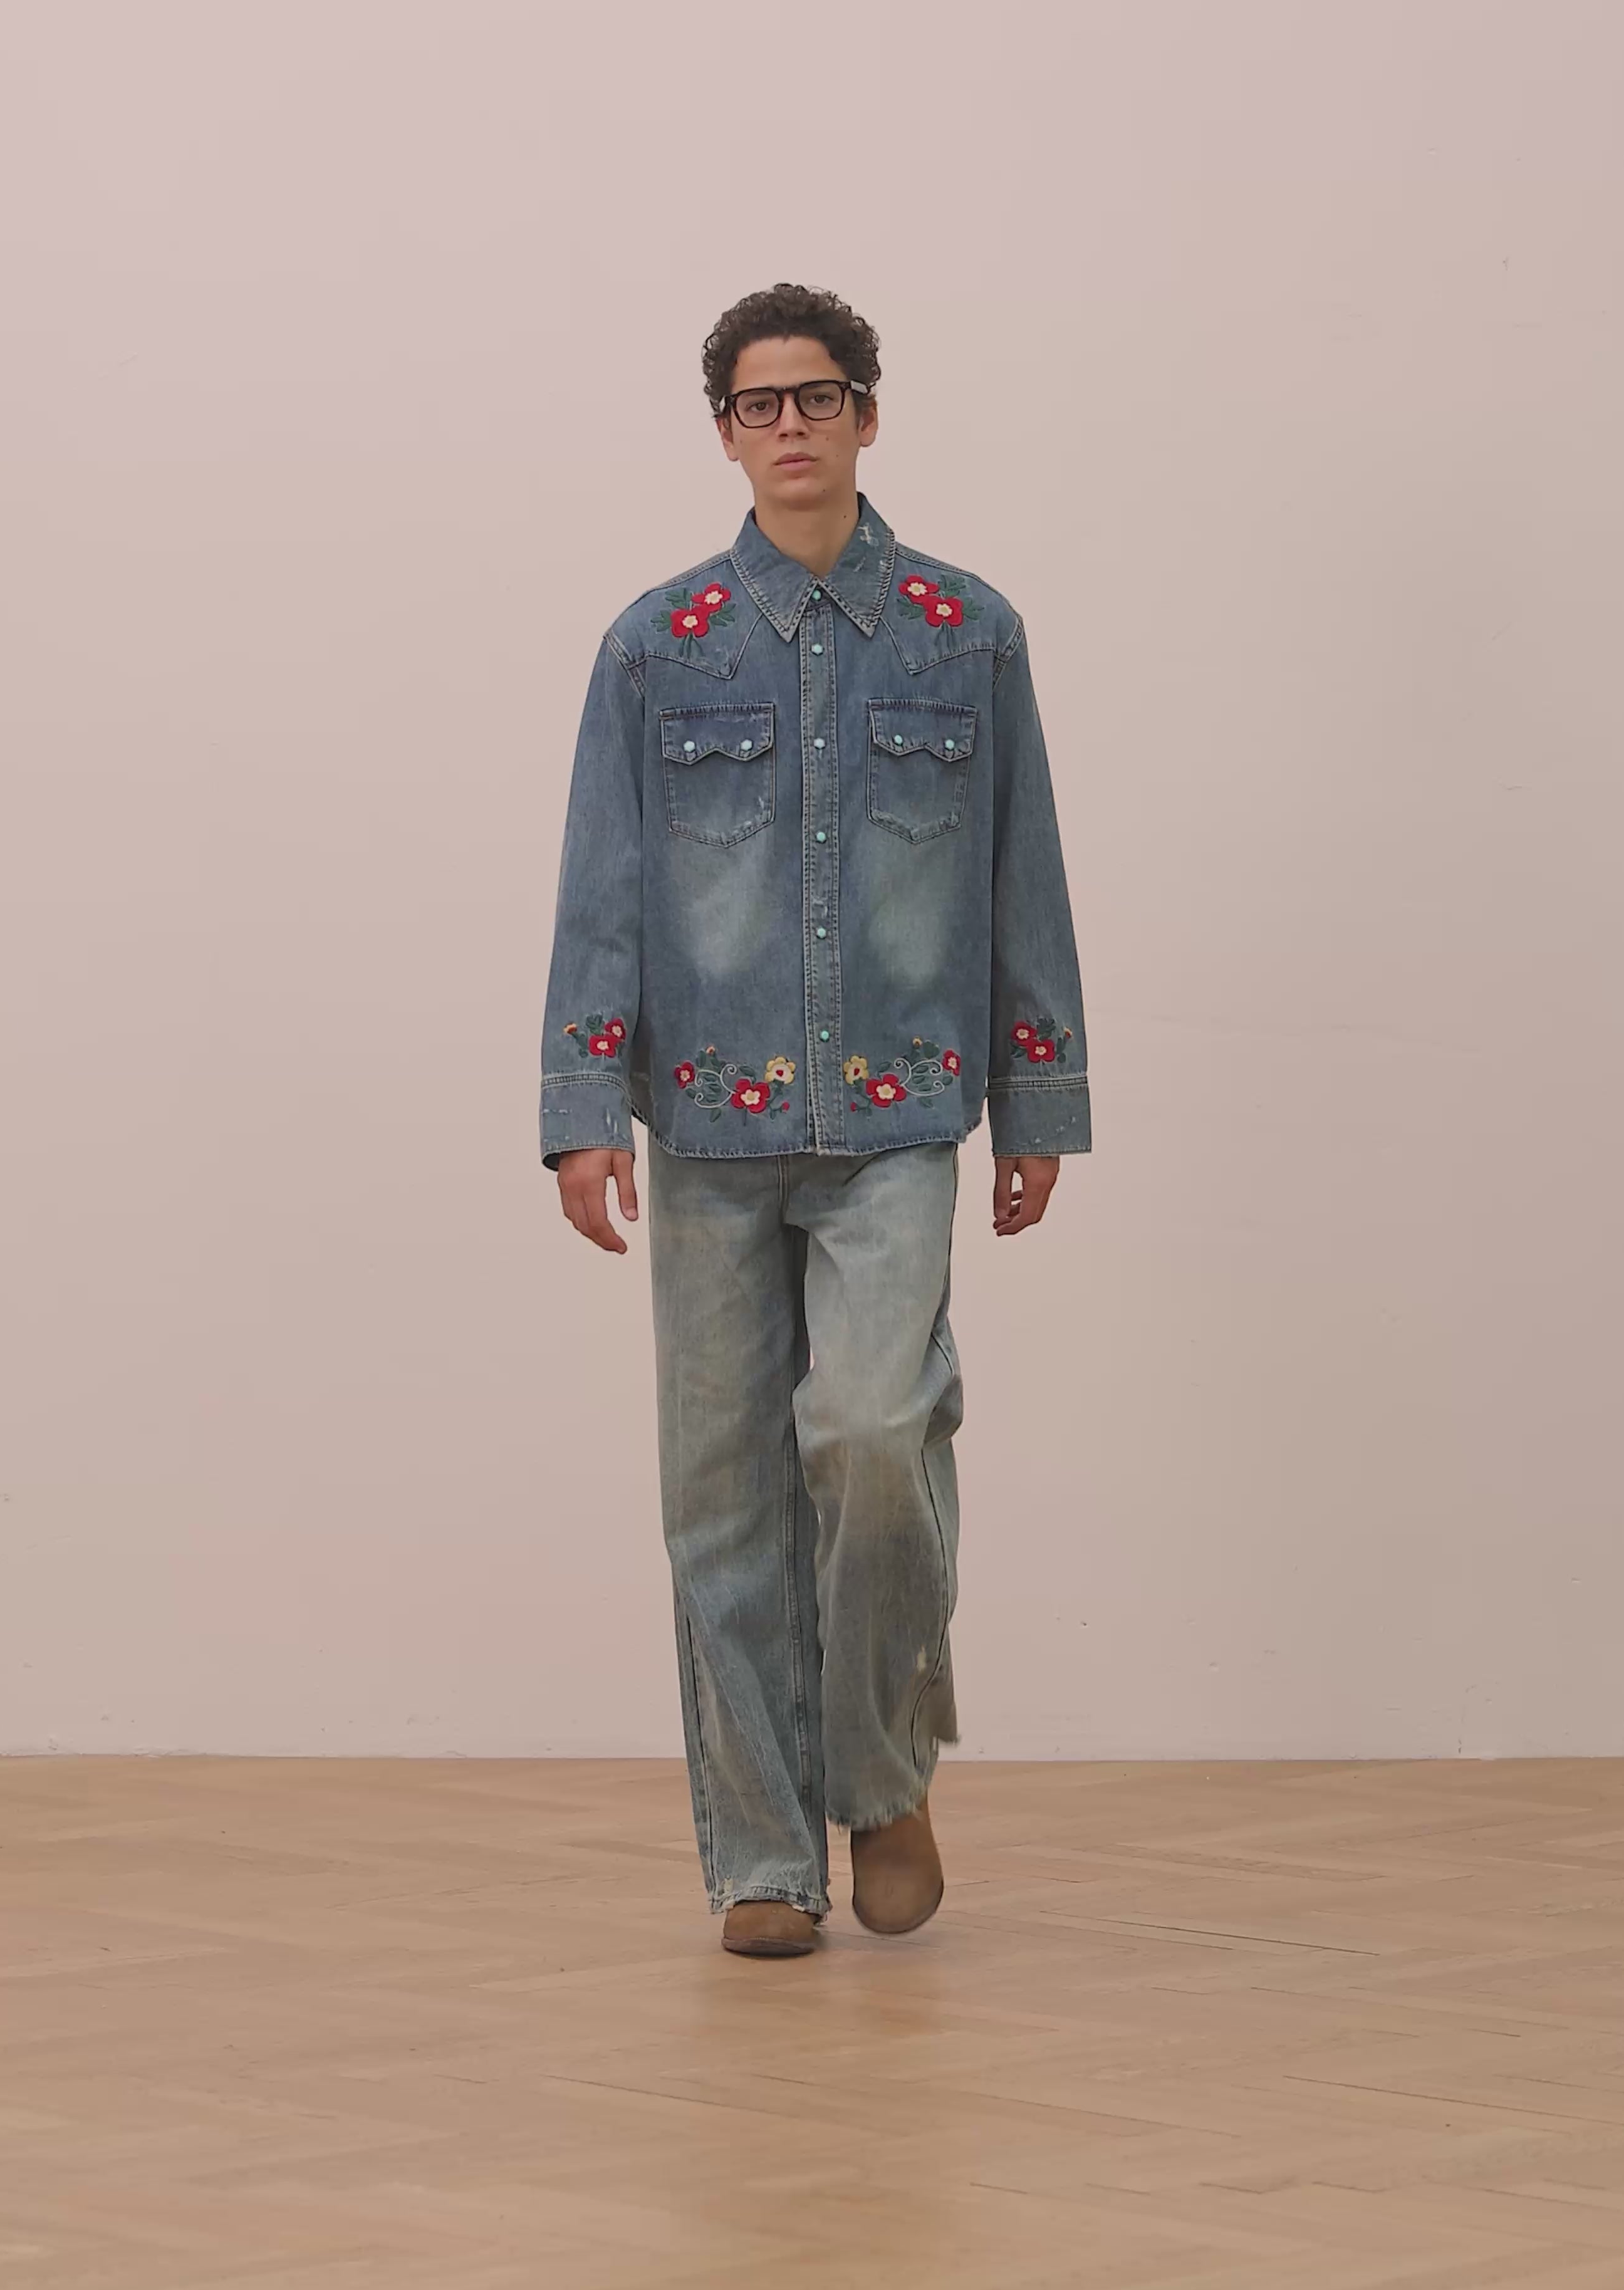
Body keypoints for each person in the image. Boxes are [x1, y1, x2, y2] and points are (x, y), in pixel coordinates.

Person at [539, 283, 1091, 1958]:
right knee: (721, 1499)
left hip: (904, 1117)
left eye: (820, 397)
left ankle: (884, 1772)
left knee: (869, 1435)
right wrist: (583, 1103)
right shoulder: (657, 647)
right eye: (760, 404)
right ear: (724, 431)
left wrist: (1037, 1096)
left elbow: (1024, 871)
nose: (791, 426)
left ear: (867, 414)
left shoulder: (965, 632)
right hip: (707, 1129)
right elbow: (603, 888)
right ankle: (767, 1863)